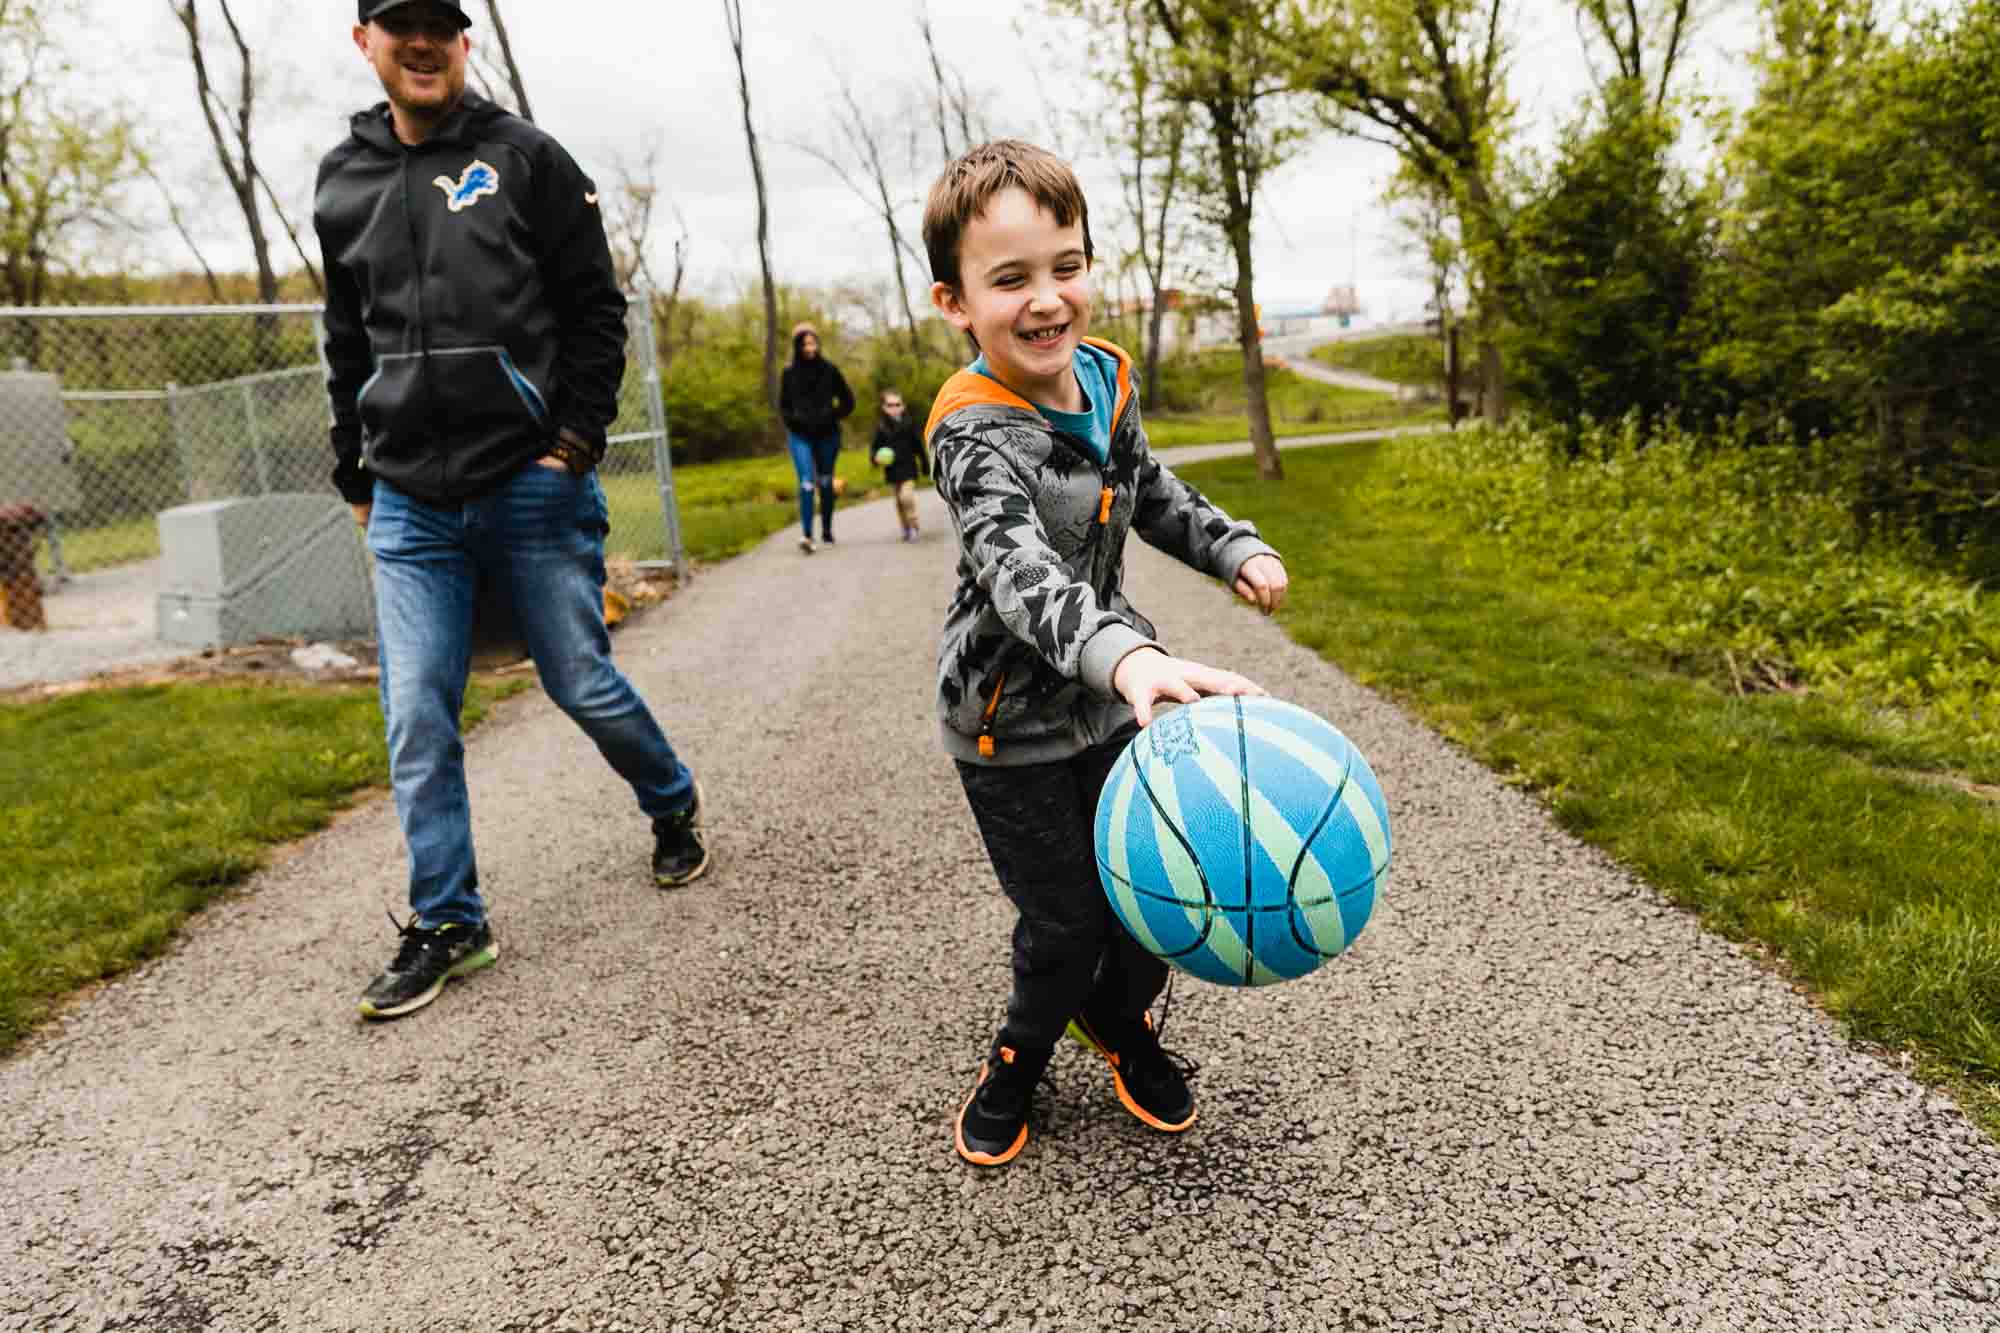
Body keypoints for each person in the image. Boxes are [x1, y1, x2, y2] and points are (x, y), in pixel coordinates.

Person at [315, 0, 712, 1022]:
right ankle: (449, 920)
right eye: (396, 22)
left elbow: (594, 313)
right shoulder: (344, 178)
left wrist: (570, 446)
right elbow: (347, 340)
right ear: (364, 41)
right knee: (415, 713)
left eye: (439, 22)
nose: (420, 40)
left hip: (529, 482)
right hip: (409, 497)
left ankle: (669, 800)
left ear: (463, 40)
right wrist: (356, 474)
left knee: (580, 680)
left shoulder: (524, 156)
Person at [922, 140, 1291, 1167]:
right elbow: (1019, 576)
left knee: (1149, 903)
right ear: (955, 301)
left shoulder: (1104, 380)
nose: (1046, 301)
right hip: (1008, 724)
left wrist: (1231, 546)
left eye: (1065, 266)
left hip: (1116, 702)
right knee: (1066, 923)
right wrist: (1126, 657)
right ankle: (1017, 1054)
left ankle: (1120, 1024)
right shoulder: (969, 434)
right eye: (1010, 280)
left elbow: (1152, 492)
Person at [779, 323, 855, 552]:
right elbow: (783, 407)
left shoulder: (829, 370)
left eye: (813, 343)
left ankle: (827, 531)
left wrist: (831, 415)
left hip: (827, 435)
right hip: (800, 435)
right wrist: (796, 421)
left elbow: (848, 401)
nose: (810, 348)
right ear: (798, 346)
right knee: (806, 484)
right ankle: (807, 535)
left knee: (825, 482)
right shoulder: (789, 373)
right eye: (805, 344)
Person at [870, 389, 929, 542]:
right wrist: (875, 458)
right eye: (890, 405)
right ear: (884, 408)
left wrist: (925, 464)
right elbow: (875, 447)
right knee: (898, 501)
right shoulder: (881, 427)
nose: (894, 408)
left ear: (903, 406)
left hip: (909, 467)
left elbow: (919, 446)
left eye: (897, 404)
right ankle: (906, 528)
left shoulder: (909, 424)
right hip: (892, 470)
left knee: (906, 496)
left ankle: (914, 525)